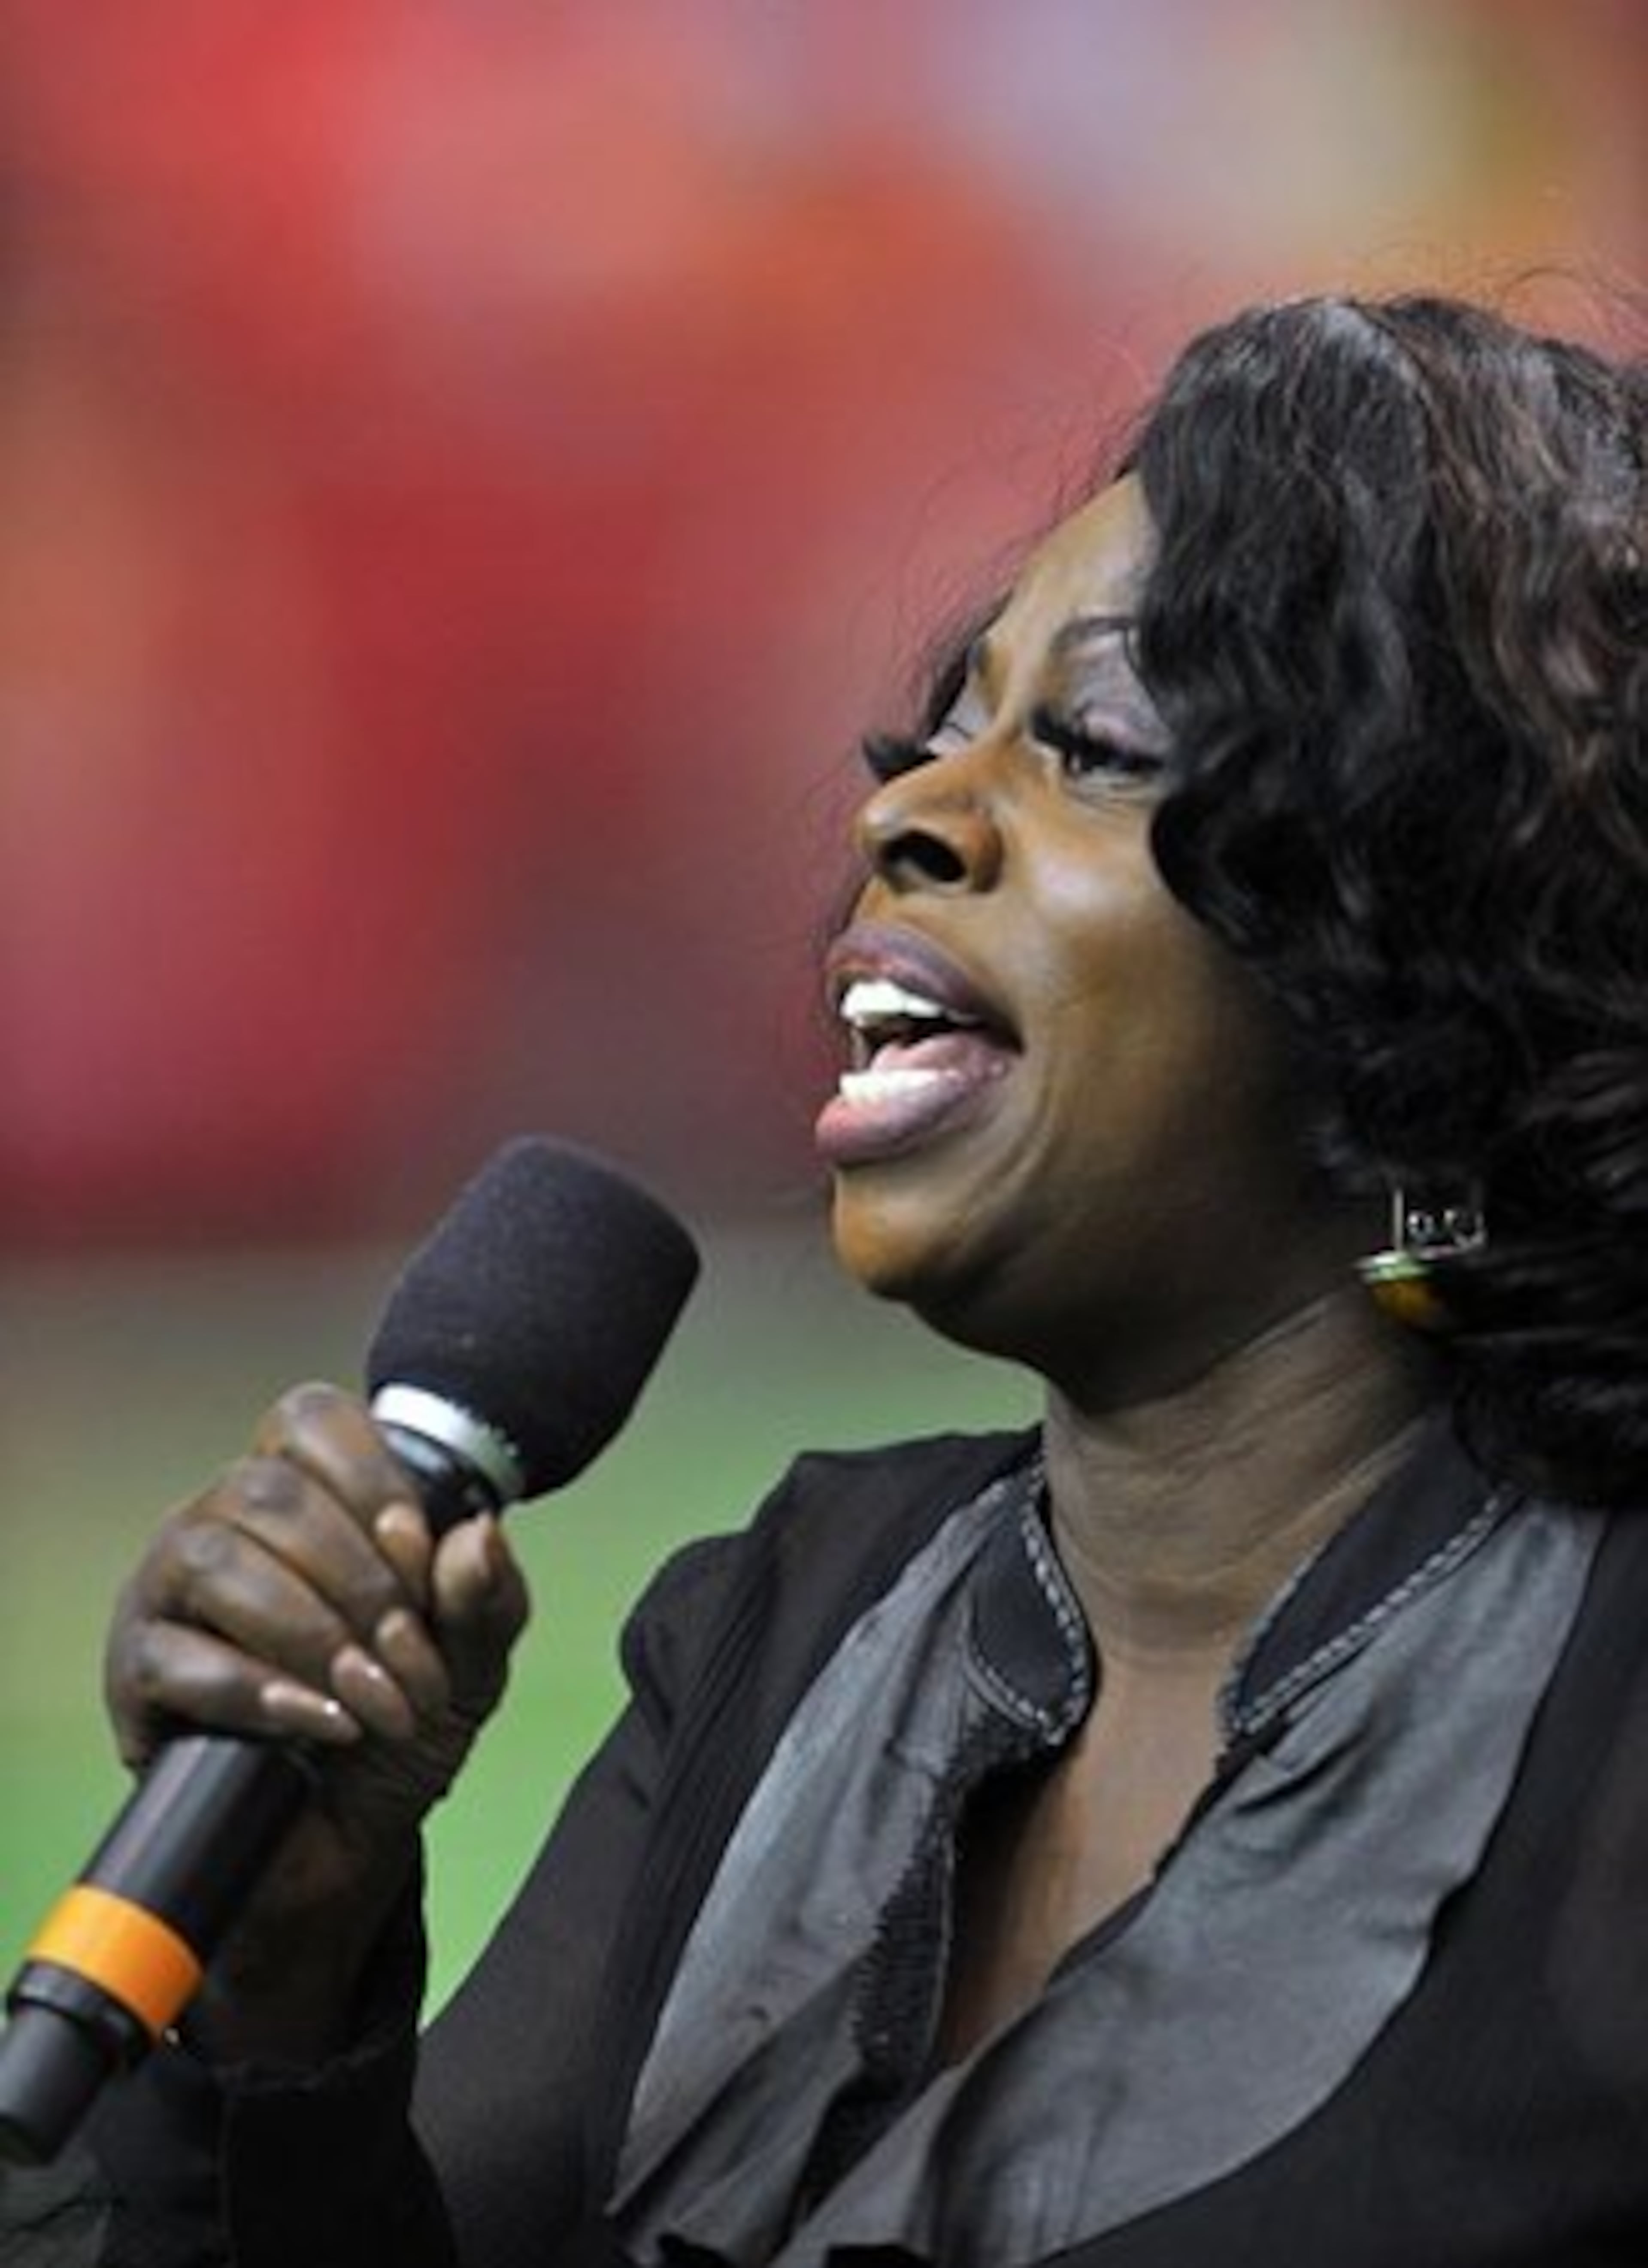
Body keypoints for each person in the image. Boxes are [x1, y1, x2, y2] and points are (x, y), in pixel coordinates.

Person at [2, 289, 1645, 2267]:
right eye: (943, 727)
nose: (904, 814)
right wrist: (285, 1980)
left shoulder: (1603, 1705)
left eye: (1094, 746)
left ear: (1428, 955)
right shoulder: (785, 1628)